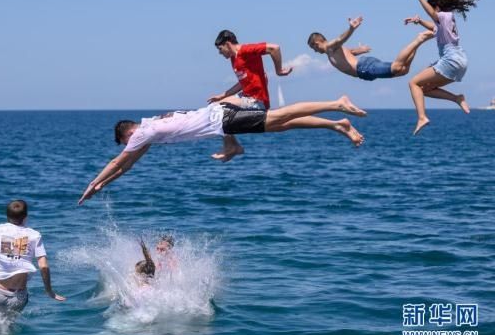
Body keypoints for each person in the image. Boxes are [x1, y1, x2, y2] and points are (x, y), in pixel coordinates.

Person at [78, 95, 366, 205]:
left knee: (281, 115)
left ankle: (336, 103)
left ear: (127, 133)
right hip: (223, 117)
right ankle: (335, 124)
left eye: (125, 141)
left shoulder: (143, 132)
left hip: (223, 118)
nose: (129, 146)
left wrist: (93, 183)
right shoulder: (149, 130)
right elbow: (126, 166)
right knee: (281, 125)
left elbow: (119, 161)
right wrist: (102, 184)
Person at [405, 0, 479, 135]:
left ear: (438, 8)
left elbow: (433, 16)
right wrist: (418, 22)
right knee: (423, 89)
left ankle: (422, 117)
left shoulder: (445, 16)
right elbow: (433, 27)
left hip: (451, 60)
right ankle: (457, 98)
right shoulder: (445, 22)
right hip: (459, 62)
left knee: (413, 83)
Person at [209, 30, 292, 162]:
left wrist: (279, 70)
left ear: (228, 44)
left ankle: (232, 147)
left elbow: (274, 48)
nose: (220, 53)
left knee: (219, 108)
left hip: (257, 101)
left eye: (220, 49)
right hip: (246, 98)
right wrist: (222, 95)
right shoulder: (233, 59)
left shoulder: (246, 50)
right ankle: (232, 146)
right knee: (216, 108)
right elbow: (242, 83)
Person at [307, 17, 434, 81]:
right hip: (365, 69)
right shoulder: (333, 50)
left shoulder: (330, 47)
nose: (315, 51)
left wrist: (351, 29)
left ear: (317, 43)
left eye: (313, 48)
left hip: (364, 68)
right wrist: (360, 49)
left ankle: (418, 39)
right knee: (403, 70)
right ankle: (418, 43)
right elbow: (348, 52)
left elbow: (340, 39)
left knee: (396, 67)